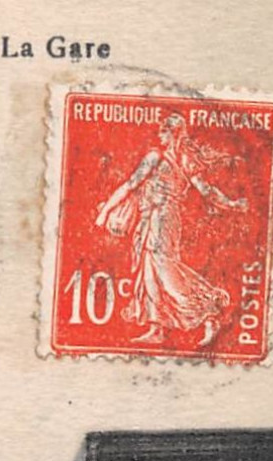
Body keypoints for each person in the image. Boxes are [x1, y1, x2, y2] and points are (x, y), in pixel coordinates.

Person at [94, 112, 249, 348]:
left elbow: (131, 184)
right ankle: (157, 328)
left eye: (163, 131)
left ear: (173, 132)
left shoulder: (157, 157)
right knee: (150, 273)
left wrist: (105, 212)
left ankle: (208, 312)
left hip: (160, 219)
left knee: (164, 271)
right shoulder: (182, 159)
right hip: (156, 218)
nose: (159, 134)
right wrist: (232, 204)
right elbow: (206, 192)